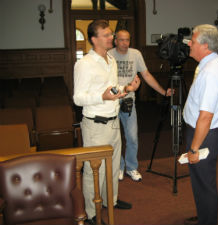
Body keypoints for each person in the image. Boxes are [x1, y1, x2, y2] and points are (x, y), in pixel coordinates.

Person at [73, 20, 140, 224]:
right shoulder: (84, 63)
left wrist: (127, 88)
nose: (111, 37)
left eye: (111, 34)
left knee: (111, 167)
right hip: (95, 125)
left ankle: (110, 200)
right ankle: (92, 213)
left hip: (113, 122)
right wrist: (101, 96)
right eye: (107, 34)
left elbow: (112, 89)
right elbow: (78, 98)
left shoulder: (110, 60)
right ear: (94, 39)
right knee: (94, 170)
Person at [183, 24, 218, 225]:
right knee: (200, 182)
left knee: (205, 184)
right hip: (205, 133)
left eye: (193, 41)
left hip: (205, 135)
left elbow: (205, 116)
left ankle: (208, 221)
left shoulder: (211, 72)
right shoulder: (210, 64)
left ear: (204, 45)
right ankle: (205, 216)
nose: (189, 44)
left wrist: (194, 148)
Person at [108, 30, 172, 182]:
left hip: (129, 101)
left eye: (127, 40)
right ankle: (118, 166)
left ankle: (131, 167)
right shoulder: (108, 55)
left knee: (132, 137)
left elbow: (147, 75)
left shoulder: (136, 54)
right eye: (122, 40)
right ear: (115, 41)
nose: (125, 43)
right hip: (112, 101)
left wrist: (163, 91)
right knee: (114, 139)